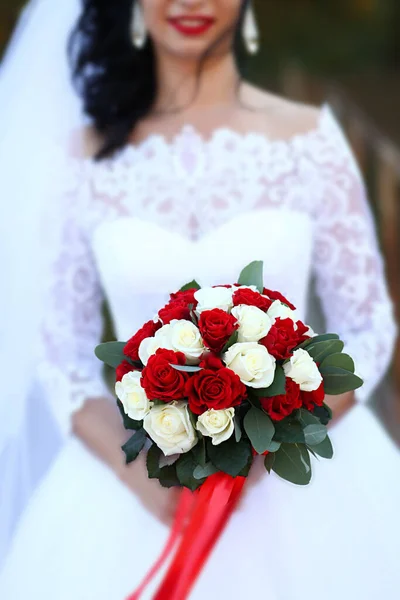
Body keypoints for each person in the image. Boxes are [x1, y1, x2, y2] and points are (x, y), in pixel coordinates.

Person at [0, 0, 399, 598]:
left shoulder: (310, 140)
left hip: (305, 481)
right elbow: (62, 355)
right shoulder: (82, 158)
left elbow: (367, 328)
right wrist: (145, 480)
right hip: (132, 476)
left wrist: (268, 451)